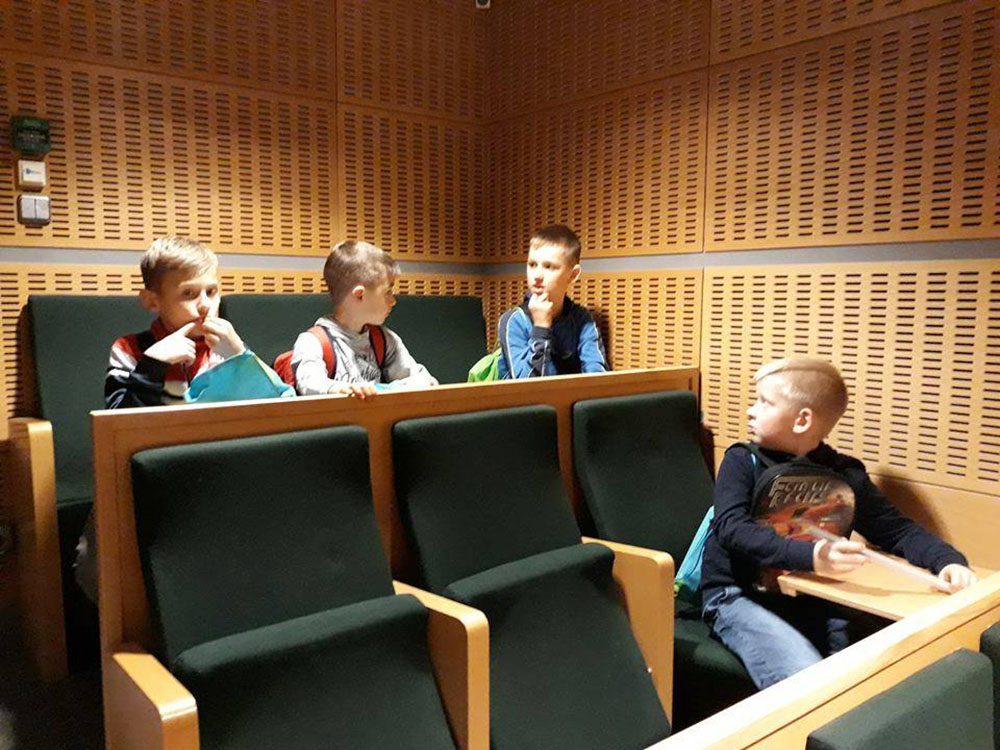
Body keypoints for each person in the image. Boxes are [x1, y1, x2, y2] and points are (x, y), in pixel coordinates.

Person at [701, 357, 977, 689]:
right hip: (736, 595)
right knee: (808, 683)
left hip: (812, 596)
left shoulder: (844, 474)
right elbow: (732, 529)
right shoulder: (741, 461)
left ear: (803, 420)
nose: (750, 410)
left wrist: (947, 561)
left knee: (885, 663)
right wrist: (812, 556)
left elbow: (897, 530)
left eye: (765, 402)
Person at [79, 236, 248, 601]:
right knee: (96, 567)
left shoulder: (226, 348)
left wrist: (239, 358)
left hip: (215, 475)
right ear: (152, 301)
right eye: (189, 294)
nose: (205, 305)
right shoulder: (130, 349)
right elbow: (118, 424)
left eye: (212, 291)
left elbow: (267, 411)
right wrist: (152, 365)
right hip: (143, 477)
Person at [290, 240, 437, 398]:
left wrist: (383, 389)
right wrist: (338, 389)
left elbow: (426, 381)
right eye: (388, 292)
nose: (393, 301)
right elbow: (309, 383)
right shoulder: (312, 342)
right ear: (360, 295)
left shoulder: (385, 340)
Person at [497, 224, 608, 378]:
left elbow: (598, 378)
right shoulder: (514, 321)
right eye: (532, 265)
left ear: (573, 275)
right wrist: (541, 329)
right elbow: (527, 385)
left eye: (549, 267)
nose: (537, 275)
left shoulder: (582, 320)